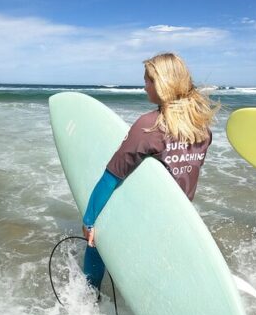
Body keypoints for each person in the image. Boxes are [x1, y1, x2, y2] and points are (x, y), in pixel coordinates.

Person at [81, 53, 219, 290]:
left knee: (97, 241)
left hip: (146, 215)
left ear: (165, 84)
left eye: (149, 81)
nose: (144, 87)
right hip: (178, 219)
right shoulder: (202, 128)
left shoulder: (149, 125)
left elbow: (111, 176)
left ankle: (87, 299)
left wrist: (89, 221)